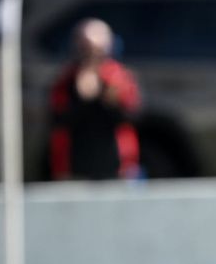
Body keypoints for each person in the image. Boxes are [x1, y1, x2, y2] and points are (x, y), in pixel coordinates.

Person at [46, 17, 143, 181]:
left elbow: (133, 116)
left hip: (117, 165)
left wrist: (108, 99)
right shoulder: (67, 79)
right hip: (75, 166)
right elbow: (57, 120)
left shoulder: (119, 78)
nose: (91, 56)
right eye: (85, 49)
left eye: (97, 50)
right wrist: (82, 99)